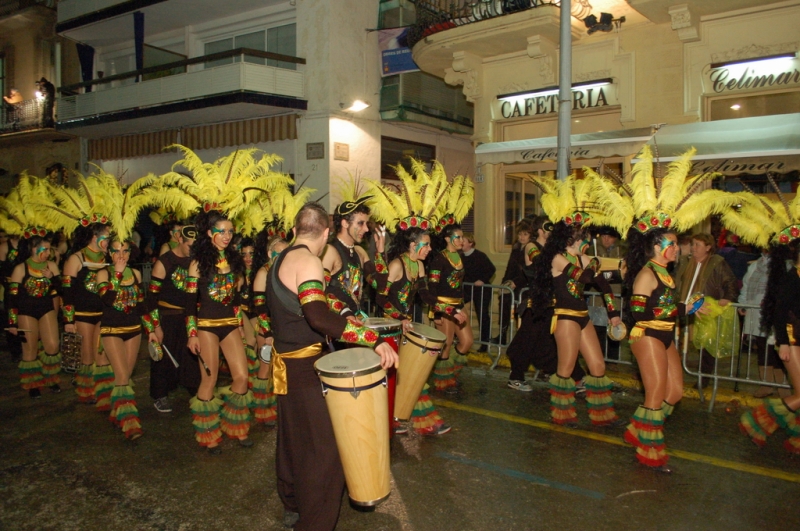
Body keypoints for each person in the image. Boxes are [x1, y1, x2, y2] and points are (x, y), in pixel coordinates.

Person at [267, 202, 397, 531]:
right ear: (326, 233)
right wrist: (371, 338)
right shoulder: (309, 259)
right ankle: (315, 522)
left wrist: (343, 313)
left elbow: (319, 299)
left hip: (285, 366)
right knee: (324, 450)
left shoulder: (280, 258)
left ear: (296, 229)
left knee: (293, 439)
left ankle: (292, 502)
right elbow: (317, 315)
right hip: (306, 368)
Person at [529, 216, 622, 427]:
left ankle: (602, 414)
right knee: (566, 368)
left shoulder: (586, 259)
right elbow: (584, 278)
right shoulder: (557, 258)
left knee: (598, 366)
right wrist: (597, 263)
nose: (586, 244)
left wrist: (613, 313)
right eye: (584, 239)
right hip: (565, 317)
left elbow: (605, 287)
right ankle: (562, 414)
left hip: (582, 316)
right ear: (572, 240)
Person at [623, 227, 698, 473]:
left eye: (677, 244)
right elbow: (639, 312)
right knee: (654, 395)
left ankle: (638, 430)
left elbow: (663, 305)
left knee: (675, 392)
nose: (677, 248)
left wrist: (688, 307)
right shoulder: (646, 274)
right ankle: (650, 451)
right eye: (672, 243)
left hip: (665, 335)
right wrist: (682, 309)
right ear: (657, 247)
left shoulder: (666, 273)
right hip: (647, 335)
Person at [185, 209, 254, 454]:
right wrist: (192, 333)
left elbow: (236, 300)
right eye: (221, 231)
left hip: (229, 325)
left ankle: (234, 425)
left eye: (230, 231)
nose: (226, 236)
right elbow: (188, 304)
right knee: (210, 379)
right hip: (205, 327)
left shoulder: (234, 262)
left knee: (242, 377)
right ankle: (208, 434)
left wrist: (240, 326)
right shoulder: (197, 264)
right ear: (209, 233)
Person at [378, 225, 451, 436]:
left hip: (405, 326)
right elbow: (381, 298)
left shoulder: (418, 265)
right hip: (389, 329)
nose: (429, 248)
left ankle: (412, 418)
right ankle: (402, 419)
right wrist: (399, 318)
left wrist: (450, 310)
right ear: (413, 244)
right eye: (426, 244)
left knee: (411, 374)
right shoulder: (396, 265)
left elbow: (425, 296)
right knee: (395, 377)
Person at [506, 215, 587, 391]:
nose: (551, 232)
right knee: (527, 340)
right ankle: (516, 376)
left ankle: (574, 376)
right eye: (548, 228)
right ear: (540, 230)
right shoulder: (531, 246)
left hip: (554, 302)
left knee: (552, 343)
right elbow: (541, 265)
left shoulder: (553, 250)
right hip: (536, 302)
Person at [740, 236, 800, 454]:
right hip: (792, 340)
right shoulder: (791, 278)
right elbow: (779, 312)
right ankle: (758, 420)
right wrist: (783, 343)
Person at [146, 224, 200, 413]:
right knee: (163, 360)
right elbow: (151, 298)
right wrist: (155, 326)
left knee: (191, 356)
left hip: (189, 316)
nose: (193, 250)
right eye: (190, 246)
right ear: (179, 240)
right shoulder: (165, 262)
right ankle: (160, 395)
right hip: (167, 317)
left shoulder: (197, 261)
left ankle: (195, 389)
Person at [96, 238, 145, 440]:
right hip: (111, 330)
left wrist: (153, 330)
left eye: (125, 251)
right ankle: (130, 423)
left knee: (125, 375)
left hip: (134, 329)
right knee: (123, 376)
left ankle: (117, 413)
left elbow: (142, 305)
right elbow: (108, 300)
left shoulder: (136, 273)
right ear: (109, 253)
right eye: (116, 251)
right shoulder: (102, 274)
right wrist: (116, 273)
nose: (121, 255)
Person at [62, 221, 114, 408]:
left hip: (103, 313)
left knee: (102, 354)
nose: (109, 241)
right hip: (83, 314)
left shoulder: (108, 257)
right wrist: (69, 320)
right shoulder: (76, 258)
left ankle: (103, 392)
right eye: (106, 237)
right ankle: (87, 391)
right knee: (87, 356)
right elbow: (66, 292)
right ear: (95, 237)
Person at [673, 233, 739, 376]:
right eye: (693, 244)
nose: (693, 248)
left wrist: (728, 297)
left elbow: (730, 281)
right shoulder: (685, 262)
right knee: (678, 340)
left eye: (698, 245)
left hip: (704, 308)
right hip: (684, 306)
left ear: (708, 247)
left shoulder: (716, 262)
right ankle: (675, 371)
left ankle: (704, 377)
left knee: (704, 345)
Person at [7, 231, 62, 397]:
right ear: (33, 249)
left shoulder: (51, 266)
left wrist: (52, 278)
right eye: (43, 250)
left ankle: (50, 377)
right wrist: (12, 323)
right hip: (26, 312)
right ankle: (33, 383)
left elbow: (62, 290)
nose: (47, 253)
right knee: (29, 349)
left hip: (45, 309)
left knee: (52, 345)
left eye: (48, 250)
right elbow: (12, 299)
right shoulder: (20, 268)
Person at [322, 197, 387, 322]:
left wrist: (380, 253)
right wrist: (345, 313)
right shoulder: (329, 251)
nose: (366, 229)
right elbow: (321, 291)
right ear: (345, 223)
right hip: (338, 323)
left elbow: (380, 285)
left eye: (366, 224)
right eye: (360, 223)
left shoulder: (360, 252)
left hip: (358, 320)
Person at [429, 223, 473, 392]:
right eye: (458, 237)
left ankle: (451, 371)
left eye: (462, 237)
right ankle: (444, 381)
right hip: (443, 305)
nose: (462, 240)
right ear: (448, 239)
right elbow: (432, 286)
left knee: (467, 341)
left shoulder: (460, 256)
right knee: (446, 343)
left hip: (459, 305)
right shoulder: (439, 259)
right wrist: (436, 311)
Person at [738, 251, 787, 398]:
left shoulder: (783, 265)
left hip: (775, 313)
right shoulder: (755, 266)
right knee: (762, 348)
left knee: (776, 349)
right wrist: (743, 303)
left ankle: (782, 386)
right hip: (757, 312)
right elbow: (746, 286)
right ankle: (766, 384)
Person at [251, 233, 288, 427]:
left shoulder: (284, 272)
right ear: (269, 253)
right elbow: (260, 308)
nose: (281, 257)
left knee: (279, 369)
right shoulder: (263, 273)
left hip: (282, 328)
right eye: (278, 253)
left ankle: (276, 408)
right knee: (265, 368)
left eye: (285, 253)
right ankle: (262, 410)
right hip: (266, 329)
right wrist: (267, 334)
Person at [588, 226, 626, 360]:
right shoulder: (593, 249)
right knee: (598, 326)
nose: (606, 240)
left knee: (614, 326)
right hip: (597, 295)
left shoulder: (621, 250)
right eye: (603, 236)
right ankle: (598, 356)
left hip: (615, 293)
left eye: (609, 237)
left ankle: (613, 359)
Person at [496, 219, 531, 344]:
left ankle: (520, 339)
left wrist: (515, 282)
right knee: (504, 306)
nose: (521, 237)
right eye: (520, 234)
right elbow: (510, 268)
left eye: (525, 234)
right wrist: (504, 282)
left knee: (520, 311)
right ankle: (502, 334)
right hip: (511, 284)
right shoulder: (516, 249)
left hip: (524, 286)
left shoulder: (530, 250)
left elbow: (527, 271)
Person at [461, 232, 495, 352]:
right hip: (467, 289)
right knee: (456, 308)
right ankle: (459, 338)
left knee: (482, 314)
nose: (460, 243)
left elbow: (491, 269)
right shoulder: (460, 256)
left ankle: (485, 343)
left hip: (481, 290)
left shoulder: (480, 256)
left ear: (470, 243)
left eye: (463, 241)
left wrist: (482, 280)